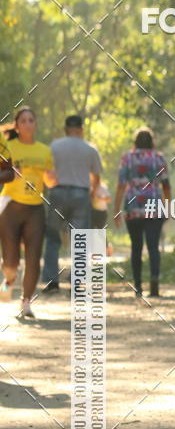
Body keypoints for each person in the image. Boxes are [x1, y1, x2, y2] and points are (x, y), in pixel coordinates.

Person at [0, 107, 57, 318]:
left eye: (31, 120)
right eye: (23, 121)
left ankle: (26, 302)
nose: (27, 124)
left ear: (36, 124)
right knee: (11, 262)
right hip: (11, 207)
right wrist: (9, 173)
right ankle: (8, 279)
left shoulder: (44, 150)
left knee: (34, 257)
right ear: (16, 126)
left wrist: (51, 177)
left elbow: (51, 180)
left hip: (35, 209)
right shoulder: (8, 147)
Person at [42, 114, 103, 293]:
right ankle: (78, 282)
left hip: (58, 192)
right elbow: (97, 177)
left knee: (53, 237)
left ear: (66, 129)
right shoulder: (90, 149)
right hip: (81, 193)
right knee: (80, 239)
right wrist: (91, 194)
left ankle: (52, 281)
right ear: (81, 130)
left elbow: (48, 172)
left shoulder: (55, 146)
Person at [113, 127, 171, 298]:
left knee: (136, 247)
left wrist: (116, 210)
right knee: (153, 247)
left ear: (135, 142)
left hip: (133, 208)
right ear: (152, 142)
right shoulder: (158, 158)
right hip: (154, 207)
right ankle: (154, 281)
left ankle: (138, 286)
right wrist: (167, 207)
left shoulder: (127, 158)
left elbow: (121, 185)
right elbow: (166, 185)